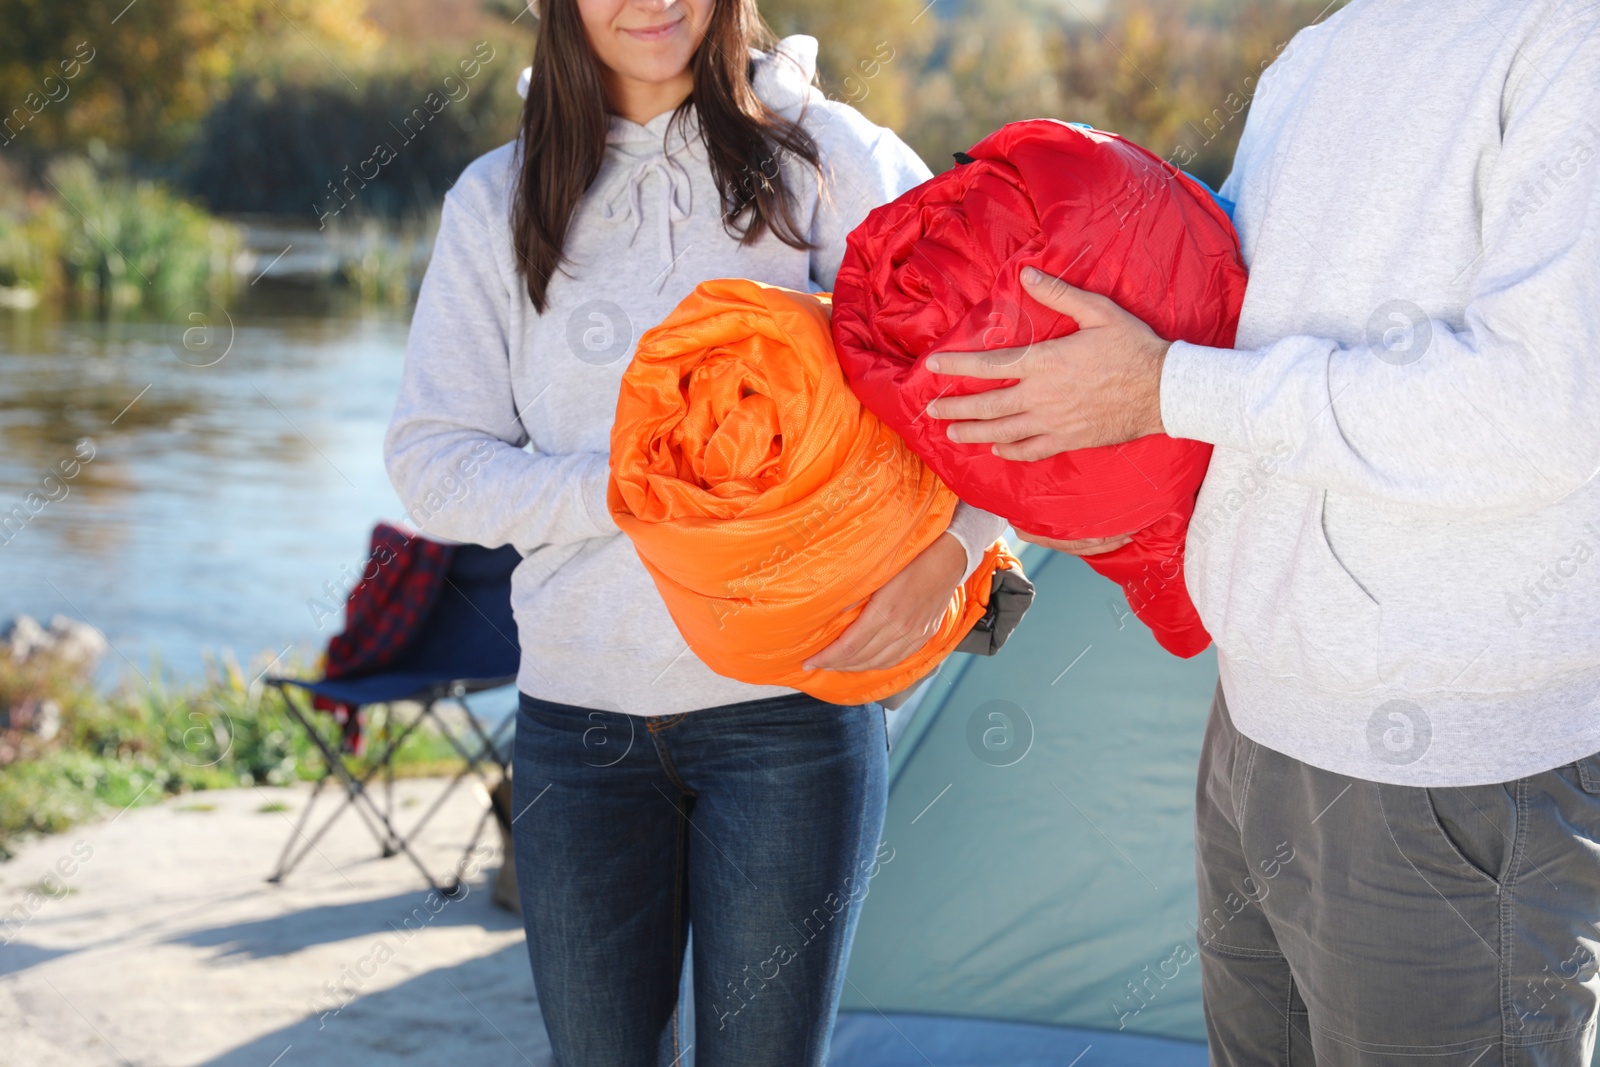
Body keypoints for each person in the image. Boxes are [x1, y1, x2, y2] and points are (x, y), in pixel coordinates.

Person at [923, 0, 1600, 1061]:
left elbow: (1540, 407)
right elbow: (1195, 323)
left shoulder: (1565, 43)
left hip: (1450, 771)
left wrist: (1170, 386)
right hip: (1253, 733)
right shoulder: (1318, 55)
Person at [384, 2, 1004, 1065]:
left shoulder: (824, 158)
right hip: (578, 726)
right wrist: (645, 488)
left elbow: (987, 360)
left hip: (794, 717)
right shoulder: (497, 198)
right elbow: (431, 467)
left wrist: (964, 548)